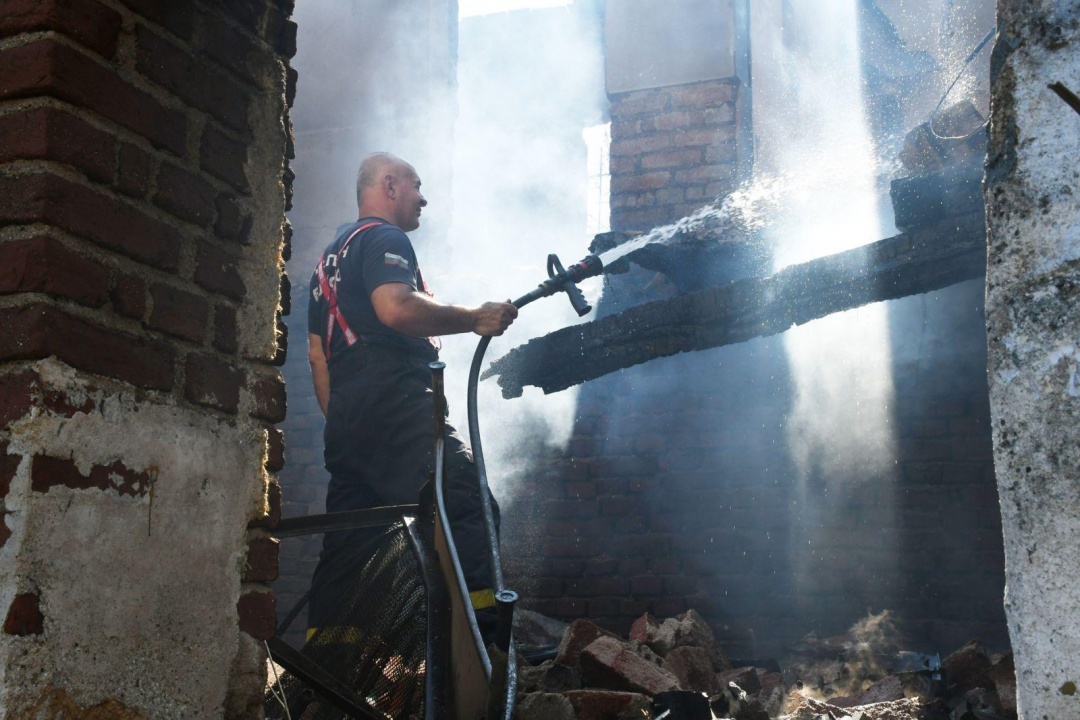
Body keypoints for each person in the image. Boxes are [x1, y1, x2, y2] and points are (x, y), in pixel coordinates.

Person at [306, 152, 517, 638]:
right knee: (465, 501)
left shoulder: (324, 267)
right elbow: (397, 308)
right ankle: (481, 652)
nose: (423, 198)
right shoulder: (384, 237)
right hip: (395, 403)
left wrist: (347, 423)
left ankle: (326, 673)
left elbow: (319, 358)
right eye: (416, 185)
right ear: (389, 185)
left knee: (352, 549)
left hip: (345, 420)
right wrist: (474, 318)